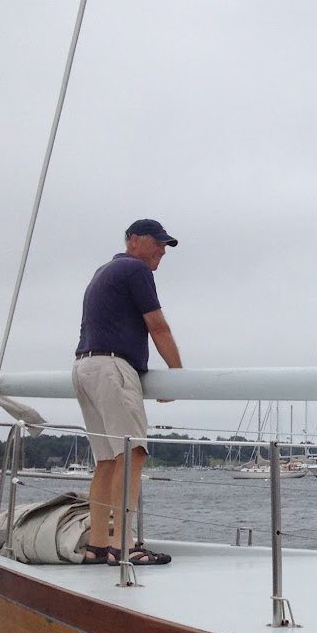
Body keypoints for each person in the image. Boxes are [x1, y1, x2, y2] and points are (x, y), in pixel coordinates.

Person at [73, 219, 184, 566]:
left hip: (84, 366)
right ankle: (124, 545)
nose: (162, 251)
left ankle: (97, 544)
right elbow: (157, 324)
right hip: (112, 368)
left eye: (165, 245)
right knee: (131, 453)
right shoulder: (135, 270)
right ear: (134, 240)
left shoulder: (103, 272)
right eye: (157, 243)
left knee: (107, 460)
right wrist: (177, 373)